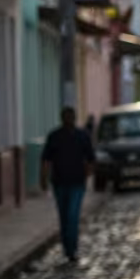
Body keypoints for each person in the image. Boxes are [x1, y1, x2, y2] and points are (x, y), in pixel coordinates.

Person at [42, 106, 95, 262]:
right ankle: (67, 247)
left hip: (77, 183)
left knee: (72, 215)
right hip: (59, 183)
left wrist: (87, 175)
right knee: (64, 216)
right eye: (66, 117)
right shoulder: (54, 136)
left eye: (70, 117)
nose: (68, 120)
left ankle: (72, 249)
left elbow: (91, 159)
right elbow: (46, 159)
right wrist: (43, 178)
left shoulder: (82, 136)